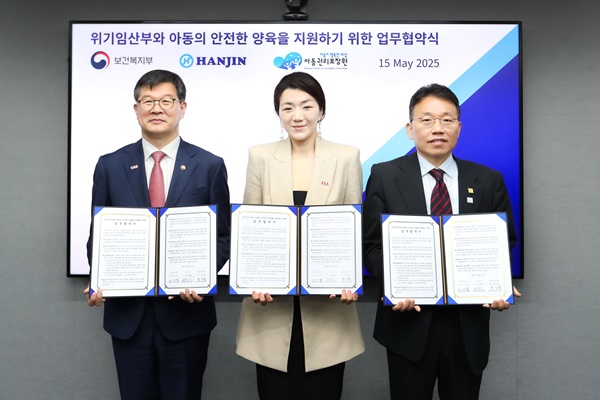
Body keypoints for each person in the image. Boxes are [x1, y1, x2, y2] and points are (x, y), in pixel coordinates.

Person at [363, 83, 520, 400]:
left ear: (459, 128)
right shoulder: (385, 175)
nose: (438, 128)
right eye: (427, 120)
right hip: (407, 324)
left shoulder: (488, 180)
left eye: (447, 120)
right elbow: (371, 244)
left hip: (467, 327)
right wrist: (395, 286)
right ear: (410, 129)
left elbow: (504, 241)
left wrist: (498, 283)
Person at [84, 69, 230, 400]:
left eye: (166, 101)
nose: (157, 109)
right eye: (148, 101)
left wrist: (201, 276)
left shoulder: (209, 165)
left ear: (182, 107)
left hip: (187, 315)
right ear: (136, 109)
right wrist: (99, 277)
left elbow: (223, 237)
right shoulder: (109, 165)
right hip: (128, 316)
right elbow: (99, 236)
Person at [235, 71, 365, 400]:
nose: (298, 116)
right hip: (270, 310)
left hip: (328, 312)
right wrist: (253, 279)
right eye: (287, 107)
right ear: (278, 113)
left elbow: (353, 228)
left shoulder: (347, 156)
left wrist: (350, 279)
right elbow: (251, 228)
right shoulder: (260, 155)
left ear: (321, 110)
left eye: (307, 106)